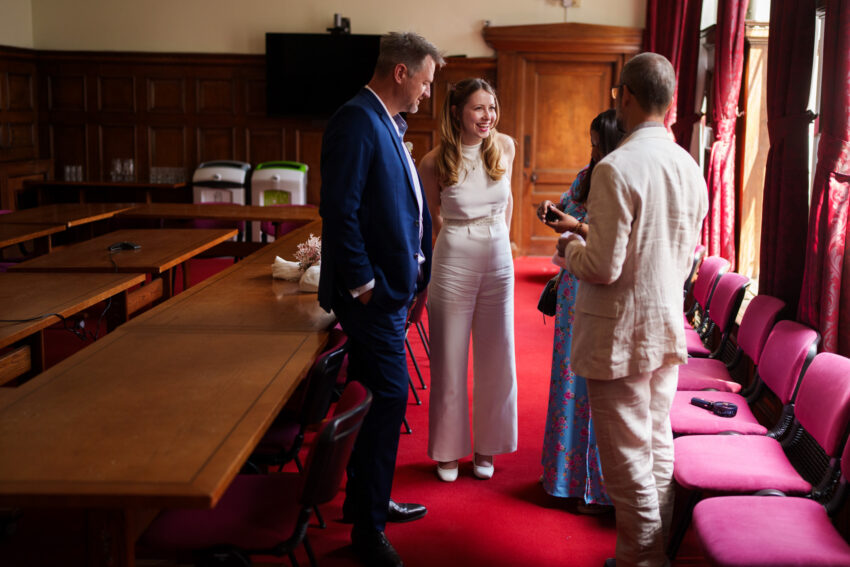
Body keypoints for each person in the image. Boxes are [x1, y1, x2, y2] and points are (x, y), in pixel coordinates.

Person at [554, 52, 708, 567]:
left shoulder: (617, 165)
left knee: (624, 458)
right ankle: (648, 552)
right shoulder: (689, 164)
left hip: (619, 330)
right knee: (656, 444)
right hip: (665, 324)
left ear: (628, 96)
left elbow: (601, 266)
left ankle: (642, 559)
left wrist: (568, 250)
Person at [318, 31, 445, 567]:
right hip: (372, 299)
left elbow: (403, 208)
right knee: (388, 398)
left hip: (392, 292)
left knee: (375, 401)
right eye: (425, 81)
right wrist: (366, 287)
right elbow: (340, 211)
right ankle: (367, 528)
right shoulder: (355, 119)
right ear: (401, 72)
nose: (426, 93)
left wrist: (413, 276)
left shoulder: (385, 122)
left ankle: (367, 502)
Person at [418, 78, 517, 483]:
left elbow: (507, 203)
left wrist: (501, 246)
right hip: (454, 254)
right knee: (449, 356)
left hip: (498, 256)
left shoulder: (505, 147)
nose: (487, 117)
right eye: (478, 108)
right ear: (457, 112)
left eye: (491, 108)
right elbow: (431, 221)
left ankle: (486, 447)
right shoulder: (433, 161)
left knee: (498, 356)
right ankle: (447, 451)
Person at [535, 108, 623, 512]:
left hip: (599, 283)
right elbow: (572, 212)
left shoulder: (622, 178)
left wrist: (579, 226)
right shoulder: (588, 176)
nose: (591, 150)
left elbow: (616, 237)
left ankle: (595, 485)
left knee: (591, 383)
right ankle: (564, 477)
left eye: (595, 143)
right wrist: (556, 215)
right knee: (568, 377)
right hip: (573, 284)